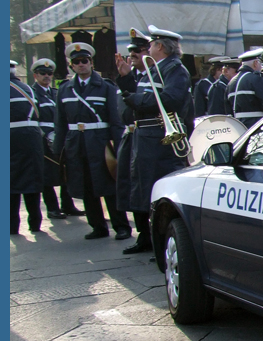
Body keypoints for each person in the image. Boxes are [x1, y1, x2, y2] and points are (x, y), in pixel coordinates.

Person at [113, 25, 191, 254]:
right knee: (141, 188)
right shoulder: (155, 68)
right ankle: (146, 238)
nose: (147, 48)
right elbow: (139, 95)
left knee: (157, 188)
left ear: (159, 46)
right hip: (144, 136)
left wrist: (136, 99)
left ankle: (162, 241)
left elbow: (171, 100)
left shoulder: (175, 69)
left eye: (151, 44)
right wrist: (127, 79)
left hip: (159, 137)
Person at [53, 42, 131, 240]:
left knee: (108, 184)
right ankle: (98, 226)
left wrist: (119, 147)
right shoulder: (64, 89)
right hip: (75, 144)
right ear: (71, 65)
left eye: (84, 61)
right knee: (85, 185)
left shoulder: (105, 86)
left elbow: (115, 120)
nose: (81, 65)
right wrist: (58, 149)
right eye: (76, 62)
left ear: (91, 63)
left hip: (100, 143)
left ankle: (121, 226)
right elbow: (60, 122)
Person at [113, 30, 153, 251]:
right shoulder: (133, 77)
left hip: (146, 137)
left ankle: (150, 235)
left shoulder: (153, 75)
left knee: (145, 187)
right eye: (131, 51)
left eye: (138, 50)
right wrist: (126, 78)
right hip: (131, 135)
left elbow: (141, 105)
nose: (133, 55)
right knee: (132, 187)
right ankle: (142, 236)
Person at [30, 57, 79, 219]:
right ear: (35, 75)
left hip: (60, 137)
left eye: (49, 73)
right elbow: (33, 118)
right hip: (42, 139)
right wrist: (47, 134)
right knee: (48, 174)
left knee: (66, 170)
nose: (47, 76)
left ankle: (67, 205)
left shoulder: (56, 93)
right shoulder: (32, 93)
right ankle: (52, 208)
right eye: (42, 73)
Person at [10, 60, 45, 235]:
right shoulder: (28, 89)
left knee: (10, 183)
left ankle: (12, 226)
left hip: (10, 137)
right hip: (32, 136)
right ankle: (35, 223)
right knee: (32, 178)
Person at [225, 47, 263, 126]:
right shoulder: (256, 78)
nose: (261, 67)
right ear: (255, 63)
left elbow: (228, 108)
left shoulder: (231, 83)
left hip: (238, 126)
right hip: (256, 124)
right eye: (261, 64)